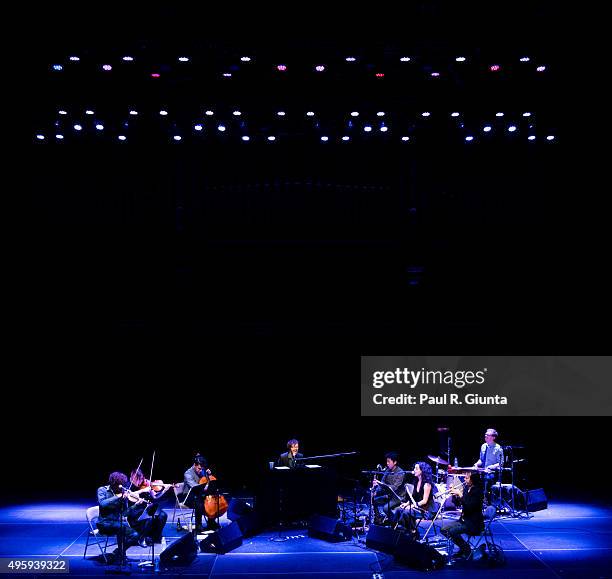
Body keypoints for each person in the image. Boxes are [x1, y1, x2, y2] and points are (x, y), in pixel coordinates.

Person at [96, 472, 142, 559]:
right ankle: (120, 554)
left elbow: (124, 513)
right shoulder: (103, 490)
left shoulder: (122, 494)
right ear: (113, 483)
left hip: (116, 523)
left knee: (135, 535)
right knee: (121, 529)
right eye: (119, 485)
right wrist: (118, 496)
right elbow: (102, 504)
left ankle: (119, 551)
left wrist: (136, 505)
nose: (121, 487)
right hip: (104, 524)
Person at [441, 471, 484, 559]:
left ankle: (466, 549)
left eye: (467, 478)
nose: (464, 479)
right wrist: (454, 495)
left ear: (473, 480)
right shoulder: (466, 488)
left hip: (474, 523)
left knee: (452, 532)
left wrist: (460, 495)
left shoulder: (477, 492)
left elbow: (469, 506)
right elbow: (459, 504)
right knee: (444, 529)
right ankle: (464, 548)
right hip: (464, 520)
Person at [392, 462, 438, 536]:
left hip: (426, 509)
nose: (414, 470)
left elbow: (424, 501)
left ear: (422, 471)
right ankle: (395, 531)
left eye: (416, 469)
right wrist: (406, 504)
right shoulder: (416, 481)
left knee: (406, 512)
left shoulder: (427, 484)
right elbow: (413, 497)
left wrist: (413, 505)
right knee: (399, 510)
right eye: (414, 468)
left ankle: (413, 532)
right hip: (418, 507)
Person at [126, 468, 169, 545]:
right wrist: (142, 490)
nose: (141, 481)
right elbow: (129, 495)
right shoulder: (129, 486)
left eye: (141, 478)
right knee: (148, 517)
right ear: (133, 478)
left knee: (163, 515)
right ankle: (142, 537)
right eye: (138, 479)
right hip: (134, 510)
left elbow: (155, 497)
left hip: (146, 508)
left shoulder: (146, 484)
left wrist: (164, 490)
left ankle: (156, 537)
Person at [183, 454, 218, 533]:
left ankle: (211, 522)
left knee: (211, 500)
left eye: (202, 469)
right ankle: (198, 525)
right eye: (199, 468)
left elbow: (207, 482)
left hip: (200, 494)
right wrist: (205, 487)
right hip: (189, 497)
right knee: (199, 503)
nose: (200, 470)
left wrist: (209, 475)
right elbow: (194, 487)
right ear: (194, 465)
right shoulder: (188, 473)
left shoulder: (202, 470)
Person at [371, 452, 406, 525]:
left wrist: (383, 485)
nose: (387, 463)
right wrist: (376, 490)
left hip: (398, 497)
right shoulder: (387, 471)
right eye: (387, 461)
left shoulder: (400, 472)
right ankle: (378, 519)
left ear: (395, 462)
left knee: (385, 508)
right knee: (374, 500)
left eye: (389, 461)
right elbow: (382, 483)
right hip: (389, 495)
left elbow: (395, 487)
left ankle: (396, 522)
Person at [474, 428, 504, 503]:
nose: (485, 435)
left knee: (488, 483)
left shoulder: (498, 448)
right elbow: (481, 459)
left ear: (493, 437)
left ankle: (489, 502)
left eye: (488, 434)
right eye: (485, 434)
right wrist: (476, 464)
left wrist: (492, 466)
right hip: (483, 472)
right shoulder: (483, 446)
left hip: (493, 473)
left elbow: (501, 463)